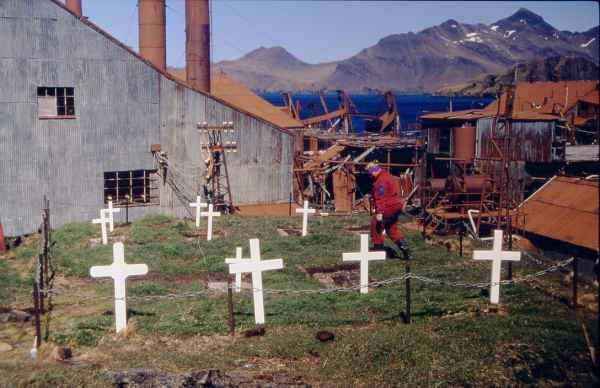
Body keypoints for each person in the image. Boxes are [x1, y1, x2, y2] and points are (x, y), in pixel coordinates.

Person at [366, 161, 412, 260]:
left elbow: (381, 198)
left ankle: (378, 250)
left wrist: (379, 212)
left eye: (369, 173)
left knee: (376, 225)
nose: (370, 176)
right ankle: (406, 251)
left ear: (373, 171)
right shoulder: (389, 176)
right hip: (396, 206)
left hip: (388, 206)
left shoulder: (380, 181)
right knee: (391, 229)